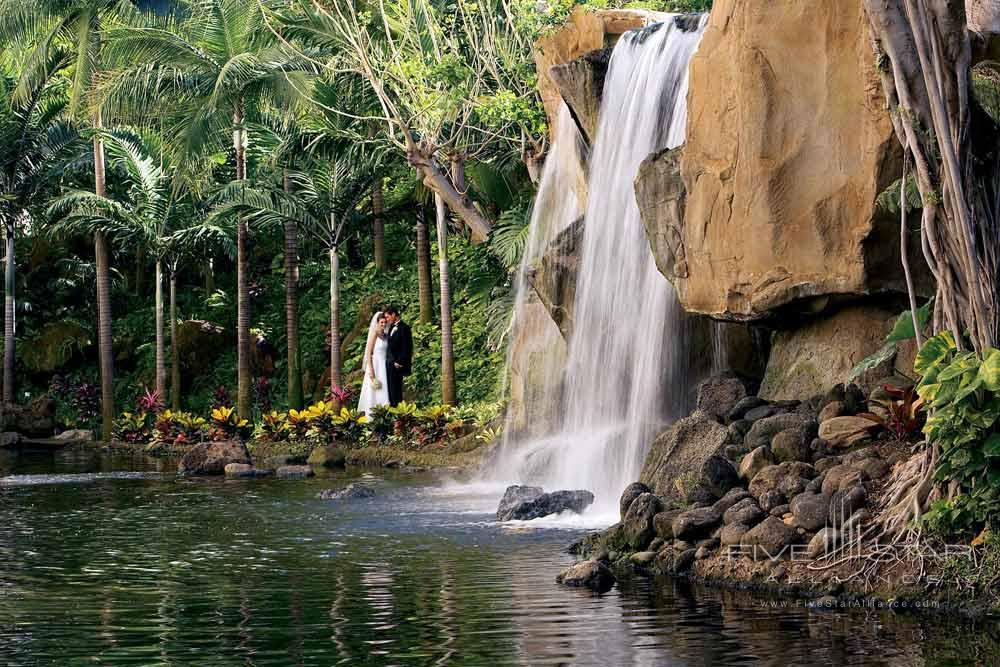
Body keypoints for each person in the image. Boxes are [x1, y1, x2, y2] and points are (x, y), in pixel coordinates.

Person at [356, 312, 390, 414]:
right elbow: (368, 353)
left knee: (384, 389)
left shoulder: (386, 335)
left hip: (384, 365)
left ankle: (383, 412)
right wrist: (370, 369)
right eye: (381, 322)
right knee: (373, 391)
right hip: (375, 365)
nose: (383, 324)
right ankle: (371, 414)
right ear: (378, 322)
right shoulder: (375, 334)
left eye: (385, 322)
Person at [383, 306, 412, 407]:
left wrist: (399, 362)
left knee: (396, 389)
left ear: (394, 315)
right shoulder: (391, 327)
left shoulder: (404, 328)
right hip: (389, 363)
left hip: (397, 364)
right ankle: (393, 409)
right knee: (390, 389)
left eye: (387, 317)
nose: (387, 320)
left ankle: (398, 412)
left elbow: (407, 347)